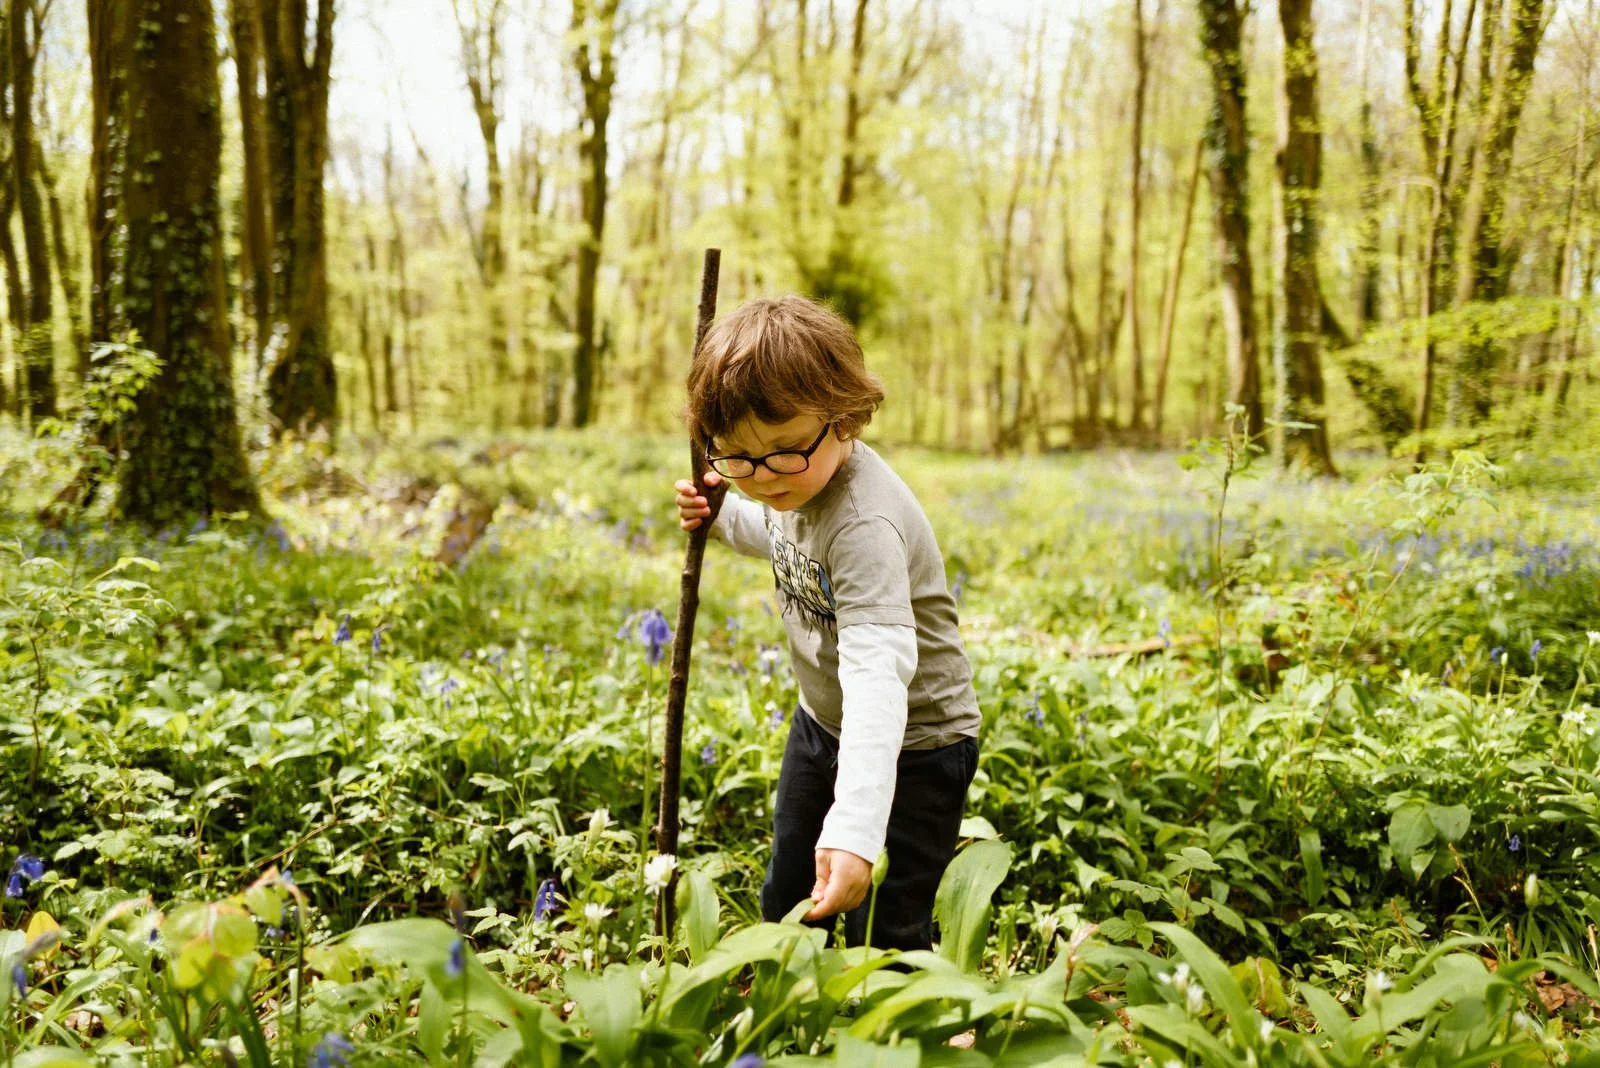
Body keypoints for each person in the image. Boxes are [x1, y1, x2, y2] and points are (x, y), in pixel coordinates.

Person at [673, 295, 981, 950]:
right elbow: (781, 533)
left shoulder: (865, 523)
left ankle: (918, 1034)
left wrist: (856, 830)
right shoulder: (790, 480)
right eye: (736, 458)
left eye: (783, 451)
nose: (762, 476)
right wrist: (722, 515)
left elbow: (878, 682)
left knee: (889, 929)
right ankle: (790, 1012)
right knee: (789, 884)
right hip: (823, 726)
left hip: (918, 745)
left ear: (845, 420)